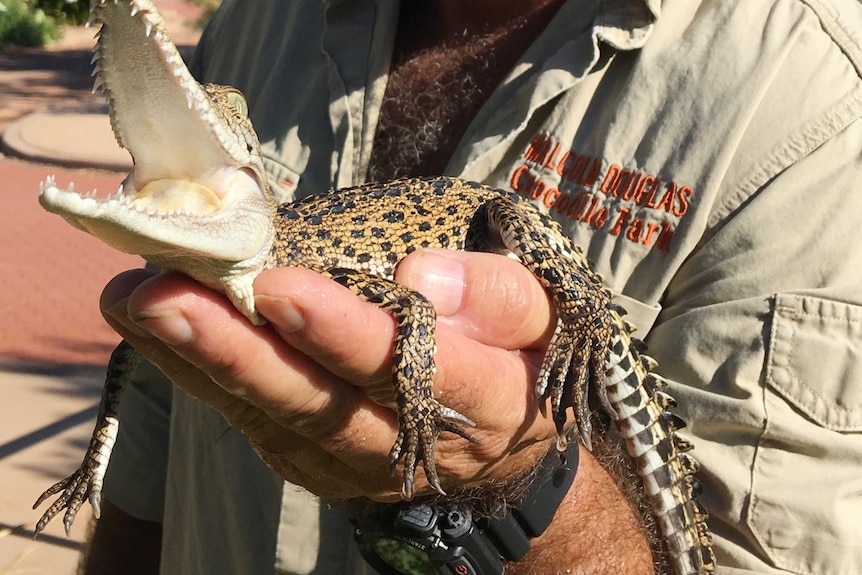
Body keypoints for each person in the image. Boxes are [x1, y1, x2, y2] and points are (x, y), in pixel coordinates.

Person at [78, 0, 862, 574]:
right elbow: (153, 413)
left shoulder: (815, 102)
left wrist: (512, 489)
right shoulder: (254, 22)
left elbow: (412, 310)